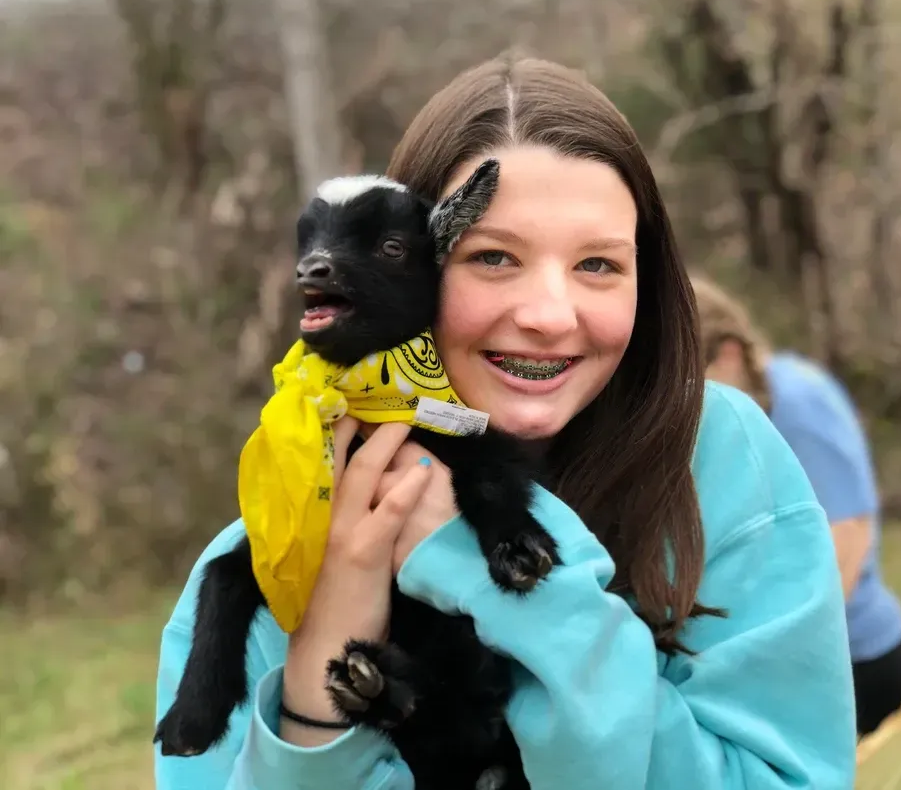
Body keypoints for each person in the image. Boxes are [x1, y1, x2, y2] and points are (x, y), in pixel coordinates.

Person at [154, 54, 857, 790]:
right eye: (492, 256)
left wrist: (519, 586)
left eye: (598, 265)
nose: (550, 315)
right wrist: (314, 702)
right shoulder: (279, 538)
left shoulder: (718, 460)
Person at [689, 275, 901, 738]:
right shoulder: (761, 407)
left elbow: (846, 538)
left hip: (849, 661)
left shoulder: (796, 403)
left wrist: (775, 666)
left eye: (694, 380)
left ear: (728, 353)